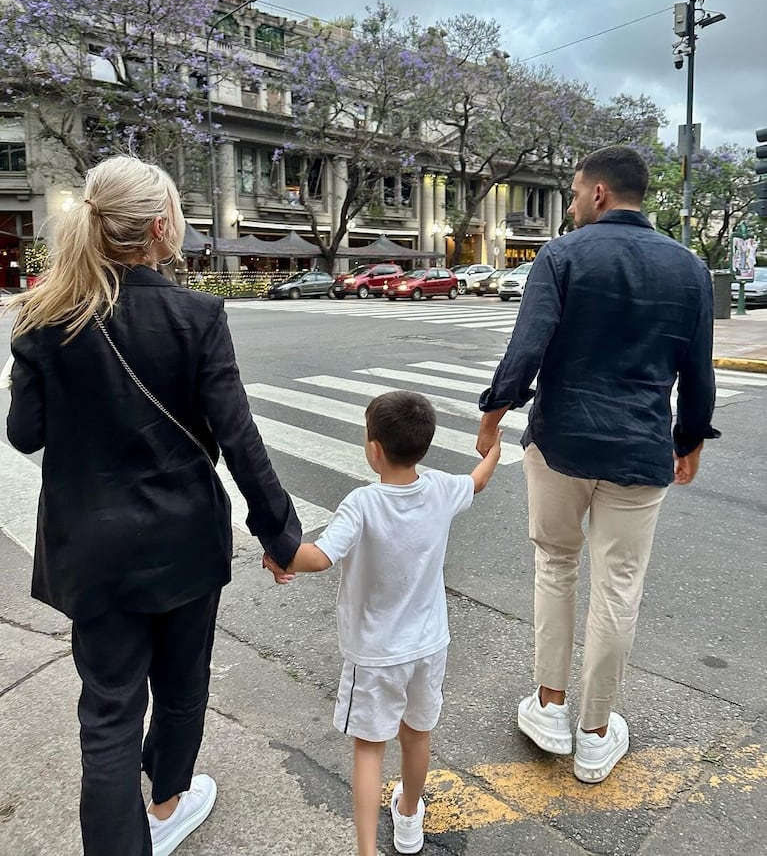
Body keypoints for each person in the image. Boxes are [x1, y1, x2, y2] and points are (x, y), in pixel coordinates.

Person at [5, 155, 302, 856]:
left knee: (106, 714)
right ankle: (167, 803)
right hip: (183, 541)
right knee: (180, 683)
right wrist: (280, 535)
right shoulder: (194, 313)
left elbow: (25, 434)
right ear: (160, 226)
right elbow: (238, 436)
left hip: (91, 547)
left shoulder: (44, 316)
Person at [476, 146, 718, 784]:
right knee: (619, 585)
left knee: (555, 566)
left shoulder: (561, 256)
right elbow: (698, 371)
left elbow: (526, 347)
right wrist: (689, 437)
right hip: (640, 449)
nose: (574, 205)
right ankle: (595, 731)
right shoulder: (689, 270)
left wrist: (494, 413)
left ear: (600, 193)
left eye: (576, 194)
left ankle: (550, 707)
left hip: (560, 442)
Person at [264, 390, 502, 856]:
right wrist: (493, 446)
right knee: (417, 736)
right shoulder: (440, 489)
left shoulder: (363, 503)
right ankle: (410, 814)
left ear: (374, 449)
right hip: (430, 645)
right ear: (425, 446)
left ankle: (367, 851)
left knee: (370, 749)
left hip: (375, 654)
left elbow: (319, 557)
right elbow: (478, 481)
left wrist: (281, 556)